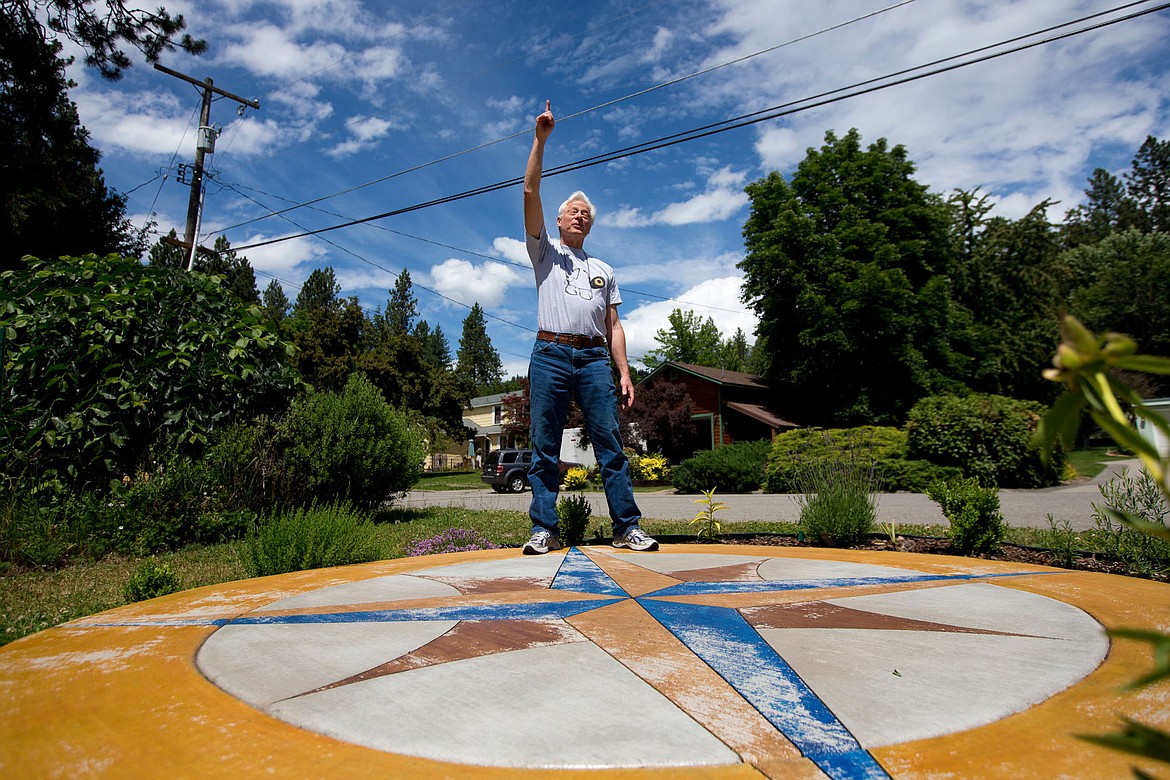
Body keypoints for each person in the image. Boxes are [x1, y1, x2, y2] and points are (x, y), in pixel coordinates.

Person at [521, 99, 658, 555]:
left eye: (586, 213)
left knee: (610, 444)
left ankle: (626, 528)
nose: (579, 214)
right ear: (558, 222)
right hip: (551, 355)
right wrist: (540, 141)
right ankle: (545, 529)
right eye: (572, 211)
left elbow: (613, 323)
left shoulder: (603, 268)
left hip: (596, 358)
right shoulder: (545, 253)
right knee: (545, 445)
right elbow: (529, 194)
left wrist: (624, 371)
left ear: (590, 225)